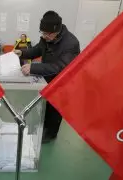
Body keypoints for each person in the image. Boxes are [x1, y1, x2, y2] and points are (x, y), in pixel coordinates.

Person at [14, 11, 80, 143]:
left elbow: (60, 66)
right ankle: (41, 128)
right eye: (42, 33)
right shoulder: (47, 37)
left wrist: (33, 68)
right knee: (45, 106)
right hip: (46, 78)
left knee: (55, 109)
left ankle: (50, 135)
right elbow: (38, 49)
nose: (44, 36)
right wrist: (22, 53)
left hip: (62, 82)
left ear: (57, 30)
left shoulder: (71, 43)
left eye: (47, 34)